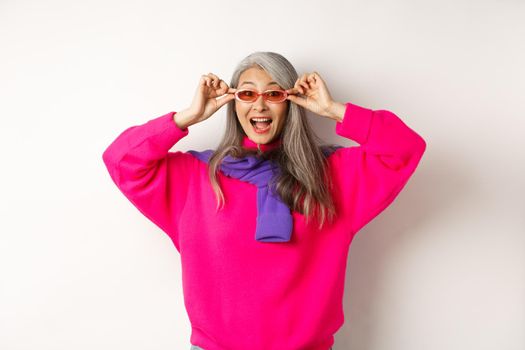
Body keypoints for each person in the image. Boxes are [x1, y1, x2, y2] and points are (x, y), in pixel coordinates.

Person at [102, 51, 427, 350]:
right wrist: (187, 117)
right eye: (247, 94)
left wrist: (333, 110)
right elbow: (121, 160)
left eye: (273, 93)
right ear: (234, 103)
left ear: (291, 102)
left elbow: (404, 148)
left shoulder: (332, 176)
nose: (259, 105)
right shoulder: (196, 177)